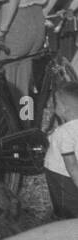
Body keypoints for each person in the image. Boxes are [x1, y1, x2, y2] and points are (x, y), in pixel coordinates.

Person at [44, 82, 78, 220]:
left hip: (64, 172)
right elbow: (72, 166)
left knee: (67, 202)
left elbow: (72, 166)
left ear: (64, 109)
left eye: (56, 103)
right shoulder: (67, 131)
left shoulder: (64, 132)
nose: (53, 106)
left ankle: (65, 220)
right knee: (70, 201)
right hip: (67, 172)